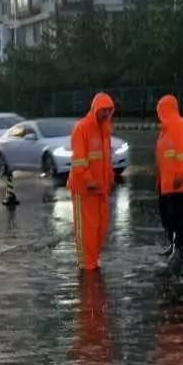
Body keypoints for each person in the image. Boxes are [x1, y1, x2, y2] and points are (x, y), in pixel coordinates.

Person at [68, 93, 117, 271]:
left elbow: (106, 158)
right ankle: (86, 263)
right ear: (96, 109)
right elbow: (79, 160)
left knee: (100, 227)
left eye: (109, 111)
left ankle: (93, 259)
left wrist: (110, 176)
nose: (106, 114)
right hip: (84, 190)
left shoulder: (105, 130)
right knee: (86, 229)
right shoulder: (82, 129)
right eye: (104, 110)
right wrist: (89, 180)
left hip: (100, 189)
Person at [154, 95, 183, 270]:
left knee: (178, 216)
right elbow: (162, 159)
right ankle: (173, 245)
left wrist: (182, 175)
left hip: (179, 183)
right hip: (166, 184)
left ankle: (179, 249)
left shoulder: (181, 125)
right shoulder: (164, 130)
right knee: (166, 216)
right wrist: (159, 180)